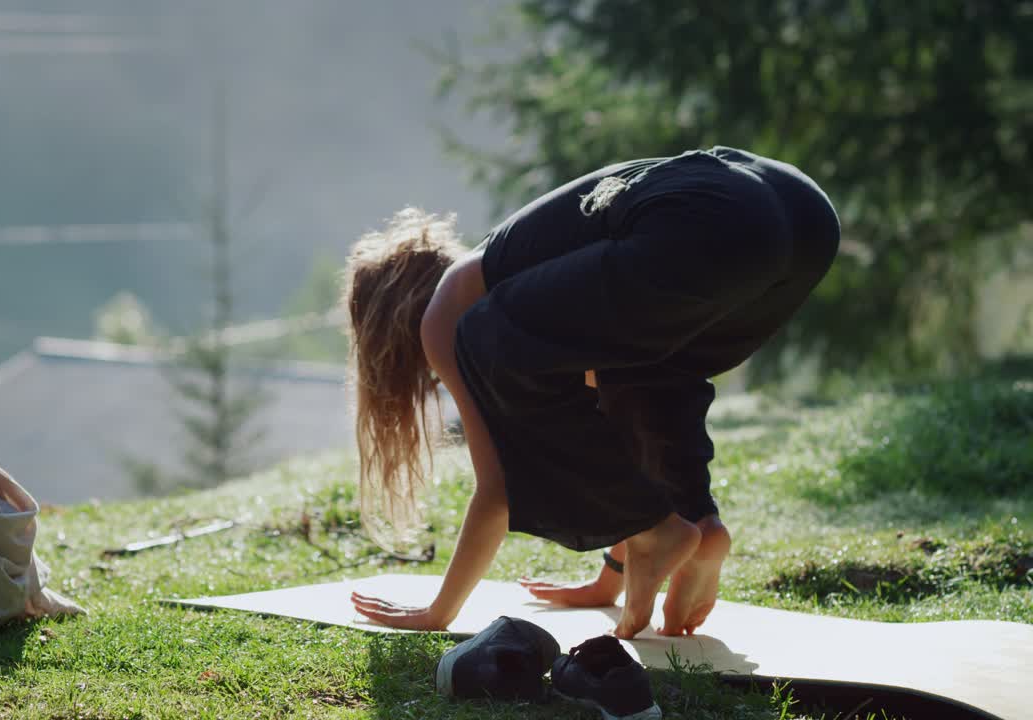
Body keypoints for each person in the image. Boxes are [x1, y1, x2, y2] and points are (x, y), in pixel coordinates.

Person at [344, 146, 840, 639]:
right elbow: (624, 420)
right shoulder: (559, 286)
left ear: (386, 336)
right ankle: (699, 526)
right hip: (801, 219)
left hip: (708, 217)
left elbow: (497, 488)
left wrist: (439, 612)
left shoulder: (448, 311)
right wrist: (611, 579)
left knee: (488, 338)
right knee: (650, 373)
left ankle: (662, 530)